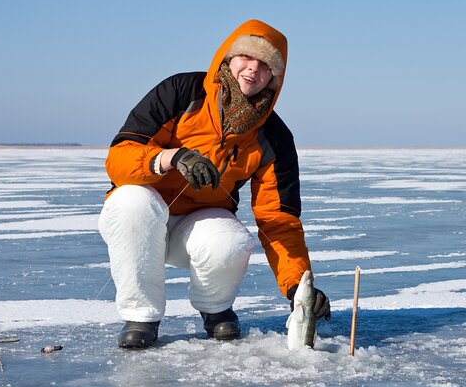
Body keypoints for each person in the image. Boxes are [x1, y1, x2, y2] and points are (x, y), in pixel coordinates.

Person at [98, 19, 331, 349]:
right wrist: (171, 158)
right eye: (246, 58)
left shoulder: (274, 138)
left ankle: (216, 310)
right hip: (139, 224)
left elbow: (279, 221)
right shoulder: (181, 93)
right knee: (131, 201)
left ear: (275, 79)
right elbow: (118, 160)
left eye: (266, 66)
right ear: (228, 58)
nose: (253, 69)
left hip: (195, 231)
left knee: (232, 241)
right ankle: (141, 317)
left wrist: (298, 287)